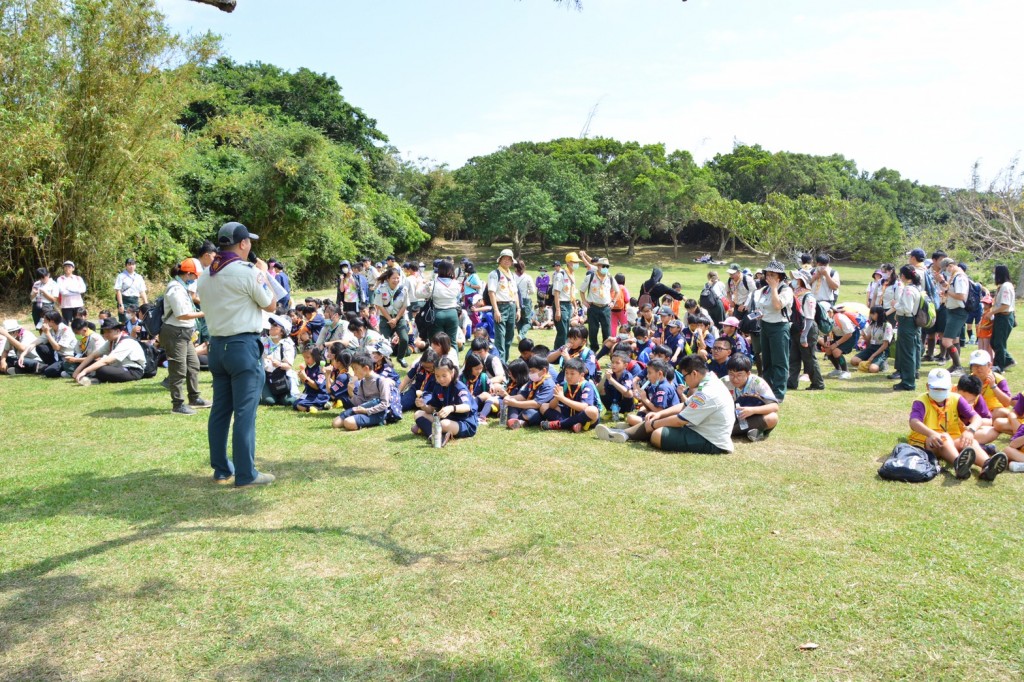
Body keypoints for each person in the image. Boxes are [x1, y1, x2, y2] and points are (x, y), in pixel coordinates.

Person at [195, 221, 277, 487]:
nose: (251, 245)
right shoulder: (246, 272)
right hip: (242, 346)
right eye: (249, 241)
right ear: (243, 244)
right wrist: (263, 275)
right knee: (245, 412)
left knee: (220, 410)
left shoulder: (206, 274)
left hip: (217, 347)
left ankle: (221, 468)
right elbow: (272, 304)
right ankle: (246, 473)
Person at [597, 356, 735, 454]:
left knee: (657, 434)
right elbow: (685, 404)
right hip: (702, 430)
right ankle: (624, 433)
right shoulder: (710, 381)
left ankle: (625, 433)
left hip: (711, 439)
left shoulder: (707, 392)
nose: (685, 381)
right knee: (656, 423)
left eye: (685, 376)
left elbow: (680, 420)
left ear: (694, 373)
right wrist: (659, 414)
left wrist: (655, 423)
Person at [907, 368, 1007, 481]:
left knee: (970, 441)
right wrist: (931, 433)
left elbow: (976, 418)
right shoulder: (921, 401)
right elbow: (914, 422)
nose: (940, 391)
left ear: (949, 387)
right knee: (944, 437)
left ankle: (988, 466)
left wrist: (970, 430)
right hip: (926, 442)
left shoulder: (956, 398)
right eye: (936, 388)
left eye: (943, 388)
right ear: (927, 386)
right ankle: (958, 464)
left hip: (951, 439)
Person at [161, 258, 209, 415]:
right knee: (178, 368)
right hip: (175, 332)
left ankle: (194, 397)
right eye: (195, 276)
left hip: (184, 333)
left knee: (193, 365)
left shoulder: (182, 287)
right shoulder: (175, 289)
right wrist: (206, 313)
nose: (196, 279)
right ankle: (177, 404)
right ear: (187, 274)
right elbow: (182, 315)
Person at [411, 357, 477, 446]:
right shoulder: (438, 387)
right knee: (418, 413)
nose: (440, 379)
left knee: (443, 424)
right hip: (448, 418)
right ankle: (434, 436)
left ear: (452, 373)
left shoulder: (459, 387)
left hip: (465, 422)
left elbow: (467, 407)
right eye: (437, 376)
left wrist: (451, 408)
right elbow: (432, 409)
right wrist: (423, 405)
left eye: (444, 376)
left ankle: (427, 430)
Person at [755, 261, 793, 401]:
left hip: (779, 327)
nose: (768, 277)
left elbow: (777, 305)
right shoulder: (765, 290)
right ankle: (767, 390)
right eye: (767, 274)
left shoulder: (786, 290)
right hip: (765, 325)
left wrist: (774, 288)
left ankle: (778, 393)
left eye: (772, 275)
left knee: (779, 361)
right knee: (767, 360)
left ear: (780, 277)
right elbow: (763, 306)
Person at [333, 351, 396, 431]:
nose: (354, 372)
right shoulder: (362, 382)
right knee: (336, 423)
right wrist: (351, 392)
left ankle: (379, 421)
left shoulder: (381, 381)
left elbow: (385, 404)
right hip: (364, 409)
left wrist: (366, 411)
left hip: (378, 413)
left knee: (348, 423)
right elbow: (359, 403)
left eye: (355, 369)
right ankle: (361, 420)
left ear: (366, 368)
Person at [72, 318, 146, 385]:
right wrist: (77, 370)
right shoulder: (111, 341)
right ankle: (92, 379)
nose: (105, 335)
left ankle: (93, 379)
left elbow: (106, 361)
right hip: (118, 367)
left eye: (108, 332)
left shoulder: (126, 342)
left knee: (102, 369)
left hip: (133, 370)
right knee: (93, 363)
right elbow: (93, 355)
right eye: (104, 332)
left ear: (118, 331)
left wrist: (84, 371)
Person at [723, 354, 780, 442]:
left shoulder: (757, 382)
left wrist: (752, 410)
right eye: (731, 374)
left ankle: (729, 432)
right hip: (730, 417)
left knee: (773, 417)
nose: (734, 379)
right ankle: (750, 433)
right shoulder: (724, 381)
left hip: (752, 417)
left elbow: (774, 406)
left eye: (739, 375)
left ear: (748, 373)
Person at [541, 357, 600, 432]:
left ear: (581, 375)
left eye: (572, 373)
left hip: (585, 417)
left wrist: (562, 398)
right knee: (544, 406)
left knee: (592, 410)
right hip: (570, 414)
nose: (568, 376)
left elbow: (584, 407)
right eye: (566, 373)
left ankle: (560, 424)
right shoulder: (564, 385)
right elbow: (551, 406)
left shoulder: (587, 386)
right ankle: (571, 424)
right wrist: (557, 398)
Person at [788, 269, 824, 391]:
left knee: (808, 357)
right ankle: (792, 382)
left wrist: (804, 335)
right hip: (796, 327)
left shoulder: (808, 297)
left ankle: (817, 383)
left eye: (796, 278)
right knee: (794, 356)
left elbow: (809, 318)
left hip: (807, 329)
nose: (794, 280)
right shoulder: (796, 294)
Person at [578, 253, 620, 352]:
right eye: (603, 266)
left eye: (607, 266)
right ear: (598, 266)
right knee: (593, 329)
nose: (605, 268)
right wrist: (584, 301)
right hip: (593, 307)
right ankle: (593, 348)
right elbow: (582, 290)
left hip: (606, 307)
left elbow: (617, 291)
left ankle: (607, 349)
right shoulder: (591, 276)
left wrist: (613, 301)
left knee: (607, 330)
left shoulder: (610, 277)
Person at [893, 265, 924, 392]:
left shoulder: (908, 290)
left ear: (904, 276)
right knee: (911, 350)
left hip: (907, 321)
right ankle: (910, 377)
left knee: (907, 352)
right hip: (912, 321)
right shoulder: (917, 288)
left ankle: (908, 382)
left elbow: (906, 309)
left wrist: (895, 306)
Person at [504, 354, 556, 429]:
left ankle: (517, 420)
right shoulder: (533, 380)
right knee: (512, 403)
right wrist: (510, 398)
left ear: (543, 371)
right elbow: (523, 395)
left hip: (538, 412)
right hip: (526, 407)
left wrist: (517, 403)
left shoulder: (549, 385)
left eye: (533, 371)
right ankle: (515, 420)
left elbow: (536, 404)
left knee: (530, 412)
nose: (530, 374)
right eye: (530, 371)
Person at [487, 249, 521, 361]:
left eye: (509, 259)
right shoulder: (494, 274)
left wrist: (518, 309)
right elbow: (491, 292)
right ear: (500, 260)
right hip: (500, 306)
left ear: (512, 262)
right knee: (500, 337)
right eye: (504, 259)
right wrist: (496, 310)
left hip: (512, 306)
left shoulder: (511, 274)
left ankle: (505, 361)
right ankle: (500, 363)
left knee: (509, 336)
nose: (507, 261)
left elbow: (515, 292)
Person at [937, 257, 969, 375]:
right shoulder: (955, 277)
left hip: (958, 312)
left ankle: (958, 366)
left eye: (946, 268)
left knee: (946, 341)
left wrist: (946, 293)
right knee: (954, 339)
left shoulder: (960, 277)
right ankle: (955, 365)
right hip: (953, 311)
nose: (946, 271)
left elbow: (961, 296)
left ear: (950, 266)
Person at [418, 259, 462, 343]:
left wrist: (420, 283)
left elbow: (418, 294)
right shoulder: (456, 283)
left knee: (437, 342)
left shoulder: (432, 284)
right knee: (452, 341)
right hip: (452, 313)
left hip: (438, 313)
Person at [375, 267, 410, 367]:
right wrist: (390, 320)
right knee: (385, 341)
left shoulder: (403, 289)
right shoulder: (381, 289)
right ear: (388, 279)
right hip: (385, 318)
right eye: (393, 278)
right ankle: (386, 362)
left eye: (398, 278)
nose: (396, 280)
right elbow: (380, 306)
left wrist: (396, 319)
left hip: (399, 318)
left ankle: (400, 357)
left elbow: (405, 305)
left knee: (404, 339)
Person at [261, 315, 298, 406]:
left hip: (280, 377)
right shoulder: (263, 340)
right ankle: (268, 394)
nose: (271, 327)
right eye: (271, 325)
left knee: (289, 401)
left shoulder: (287, 344)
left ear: (282, 331)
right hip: (265, 376)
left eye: (275, 325)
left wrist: (279, 364)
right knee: (269, 401)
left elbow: (288, 365)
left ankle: (279, 395)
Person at [989, 264, 1016, 372]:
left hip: (1004, 316)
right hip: (1000, 316)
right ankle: (1008, 360)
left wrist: (991, 313)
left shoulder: (1006, 287)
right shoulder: (1003, 286)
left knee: (999, 342)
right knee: (994, 341)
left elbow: (1005, 305)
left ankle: (999, 366)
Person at [851, 306, 893, 375]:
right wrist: (864, 335)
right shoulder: (873, 324)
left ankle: (882, 364)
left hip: (882, 350)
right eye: (871, 313)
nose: (871, 315)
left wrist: (873, 355)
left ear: (879, 314)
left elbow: (885, 345)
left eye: (873, 314)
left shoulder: (887, 326)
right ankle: (873, 361)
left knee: (873, 369)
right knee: (853, 361)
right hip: (872, 347)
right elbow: (868, 340)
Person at [821, 306, 859, 380]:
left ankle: (846, 371)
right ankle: (837, 369)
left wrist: (836, 344)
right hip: (838, 336)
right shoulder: (825, 319)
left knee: (836, 351)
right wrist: (827, 343)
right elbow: (826, 331)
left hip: (850, 335)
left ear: (830, 312)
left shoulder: (840, 318)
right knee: (828, 350)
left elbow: (849, 334)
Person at [552, 253, 580, 349]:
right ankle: (557, 353)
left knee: (566, 331)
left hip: (568, 304)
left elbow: (572, 294)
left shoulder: (572, 275)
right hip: (561, 304)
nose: (576, 264)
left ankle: (562, 351)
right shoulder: (561, 275)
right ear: (568, 262)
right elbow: (556, 293)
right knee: (563, 331)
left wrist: (575, 307)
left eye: (577, 262)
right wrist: (558, 310)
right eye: (574, 262)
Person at [294, 346, 331, 413]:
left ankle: (321, 405)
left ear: (315, 357)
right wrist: (301, 377)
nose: (305, 360)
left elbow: (317, 387)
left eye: (308, 357)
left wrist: (305, 377)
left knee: (300, 405)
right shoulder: (308, 368)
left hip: (319, 395)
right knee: (295, 403)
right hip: (309, 393)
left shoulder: (320, 369)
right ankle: (319, 405)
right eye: (304, 357)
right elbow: (305, 383)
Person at [114, 258, 148, 323]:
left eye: (133, 264)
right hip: (125, 301)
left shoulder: (139, 277)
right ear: (126, 266)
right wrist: (121, 305)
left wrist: (146, 303)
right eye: (129, 264)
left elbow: (142, 291)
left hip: (135, 301)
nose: (131, 266)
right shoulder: (121, 276)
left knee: (136, 321)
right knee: (125, 321)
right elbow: (118, 291)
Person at [514, 259, 535, 340]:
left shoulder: (512, 276)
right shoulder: (527, 277)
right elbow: (533, 290)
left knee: (519, 320)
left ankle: (521, 336)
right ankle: (522, 335)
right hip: (525, 299)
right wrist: (527, 292)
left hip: (515, 300)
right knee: (528, 321)